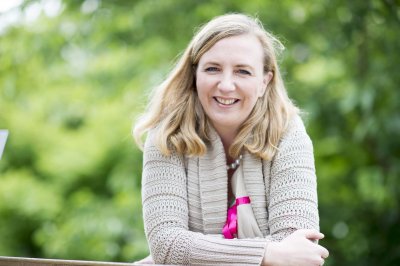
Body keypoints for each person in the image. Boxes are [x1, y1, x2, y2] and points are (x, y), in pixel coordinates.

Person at [133, 13, 329, 266]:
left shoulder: (288, 134)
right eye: (213, 68)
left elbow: (298, 252)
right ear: (195, 75)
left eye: (243, 71)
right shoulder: (168, 134)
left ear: (264, 82)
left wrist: (194, 253)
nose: (226, 85)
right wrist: (266, 254)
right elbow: (166, 246)